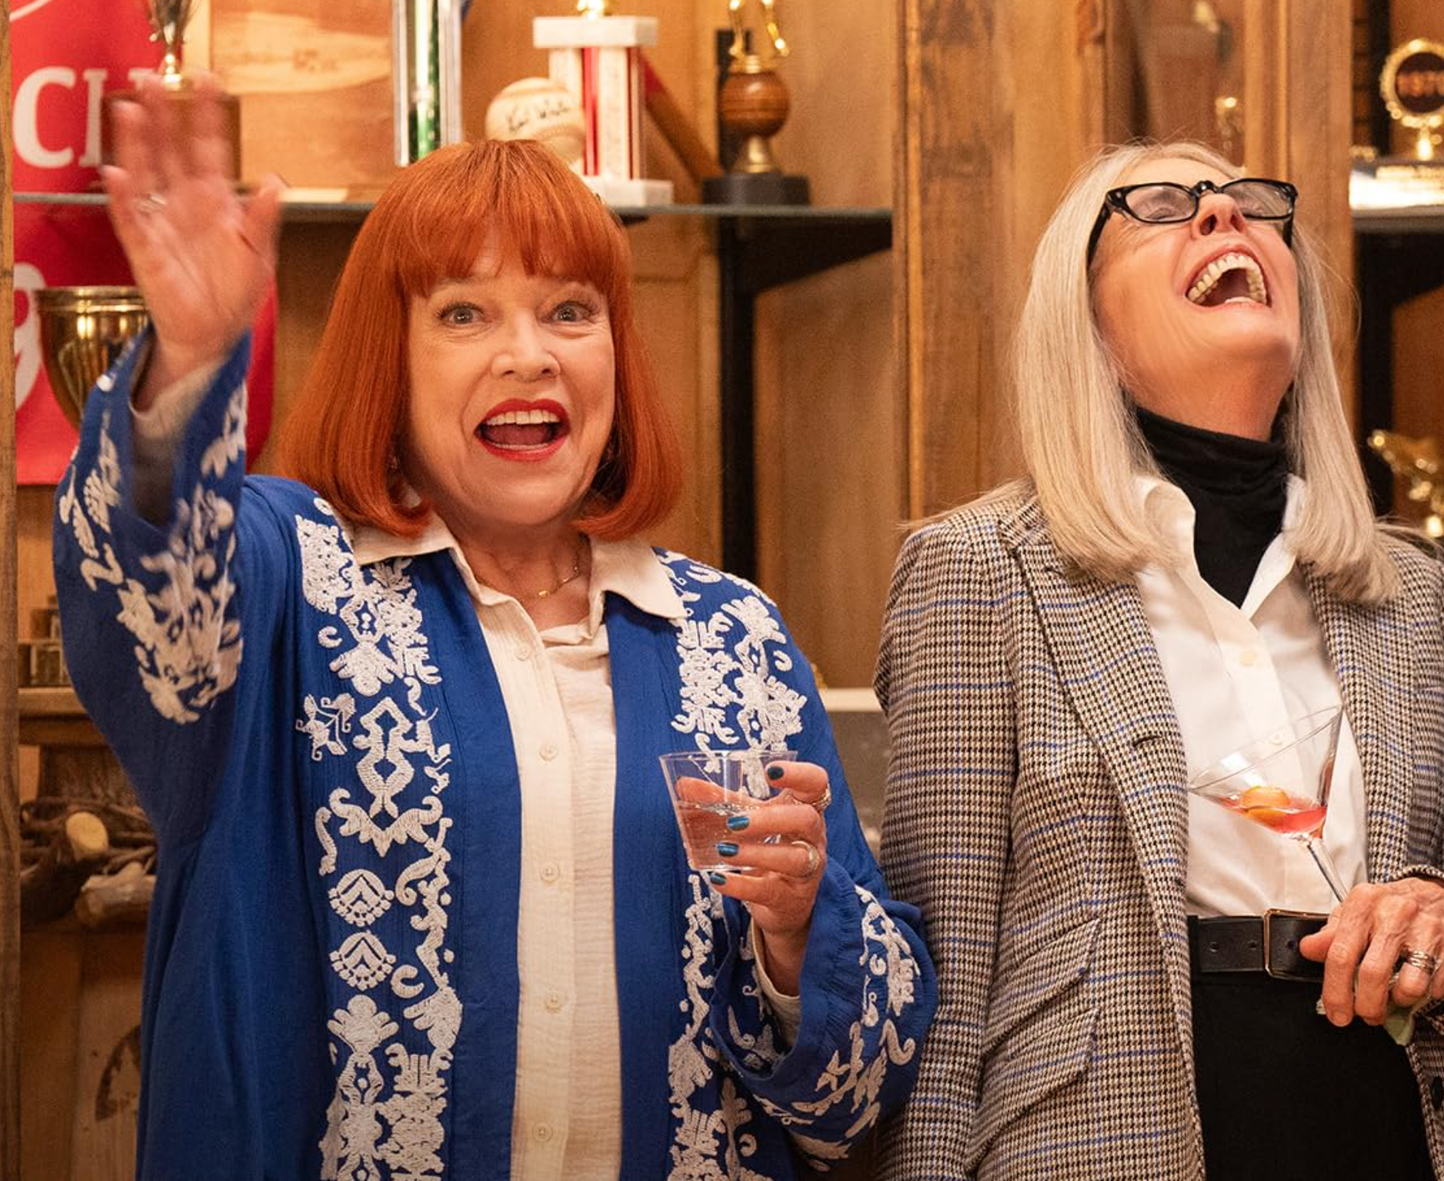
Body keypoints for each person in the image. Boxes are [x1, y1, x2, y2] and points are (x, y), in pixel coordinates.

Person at [53, 79, 931, 1180]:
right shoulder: (291, 583)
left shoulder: (732, 638)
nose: (529, 355)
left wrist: (798, 935)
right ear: (390, 356)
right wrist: (185, 370)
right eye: (463, 313)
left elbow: (856, 1098)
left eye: (570, 311)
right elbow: (150, 599)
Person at [874, 141, 1444, 1181]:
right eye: (1164, 206)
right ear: (1085, 322)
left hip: (1387, 1132)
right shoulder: (979, 571)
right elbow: (938, 995)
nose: (1224, 217)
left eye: (1249, 203)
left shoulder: (1413, 596)